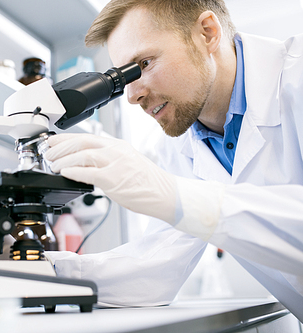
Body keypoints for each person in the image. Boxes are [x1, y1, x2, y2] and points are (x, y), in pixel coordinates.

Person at [43, 0, 303, 321]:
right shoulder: (179, 146)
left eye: (145, 63)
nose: (131, 95)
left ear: (207, 33)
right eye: (123, 77)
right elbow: (154, 270)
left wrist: (176, 196)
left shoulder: (297, 79)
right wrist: (38, 269)